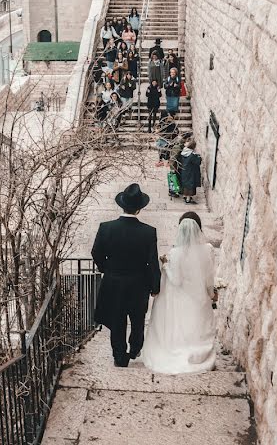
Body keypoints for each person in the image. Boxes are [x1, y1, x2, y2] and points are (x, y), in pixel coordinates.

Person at [92, 184, 161, 367]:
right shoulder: (148, 232)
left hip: (113, 283)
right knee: (137, 319)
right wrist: (155, 285)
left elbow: (96, 253)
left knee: (117, 320)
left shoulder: (106, 228)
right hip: (139, 284)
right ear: (139, 209)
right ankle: (135, 347)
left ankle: (119, 356)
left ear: (122, 205)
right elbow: (152, 261)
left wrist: (107, 268)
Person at [140, 212, 216, 374]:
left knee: (182, 327)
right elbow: (209, 277)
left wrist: (166, 264)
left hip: (182, 298)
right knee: (197, 327)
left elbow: (176, 281)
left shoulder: (176, 253)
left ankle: (181, 352)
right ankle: (198, 354)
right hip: (199, 298)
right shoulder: (208, 250)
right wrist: (211, 293)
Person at [180, 139, 203, 204]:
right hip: (191, 171)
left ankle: (184, 196)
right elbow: (197, 162)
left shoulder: (184, 152)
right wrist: (199, 157)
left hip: (185, 170)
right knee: (190, 185)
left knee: (185, 183)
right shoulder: (192, 155)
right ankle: (188, 199)